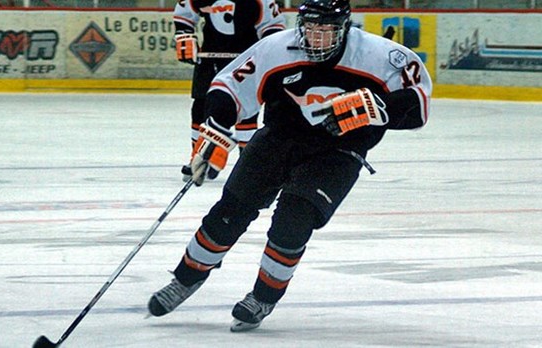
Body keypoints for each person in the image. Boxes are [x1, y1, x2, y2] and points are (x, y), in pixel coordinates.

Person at [149, 0, 432, 332]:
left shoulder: (381, 56)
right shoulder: (277, 48)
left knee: (293, 221)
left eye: (325, 30)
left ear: (344, 27)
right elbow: (229, 87)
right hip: (278, 140)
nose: (316, 38)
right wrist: (216, 128)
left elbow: (419, 104)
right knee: (230, 211)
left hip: (338, 153)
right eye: (310, 29)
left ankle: (263, 296)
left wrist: (378, 106)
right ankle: (185, 279)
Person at [173, 0, 286, 181]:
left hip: (247, 60)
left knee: (246, 110)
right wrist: (184, 34)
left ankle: (248, 162)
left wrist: (266, 50)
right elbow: (184, 13)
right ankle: (199, 157)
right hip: (210, 58)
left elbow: (273, 26)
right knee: (200, 108)